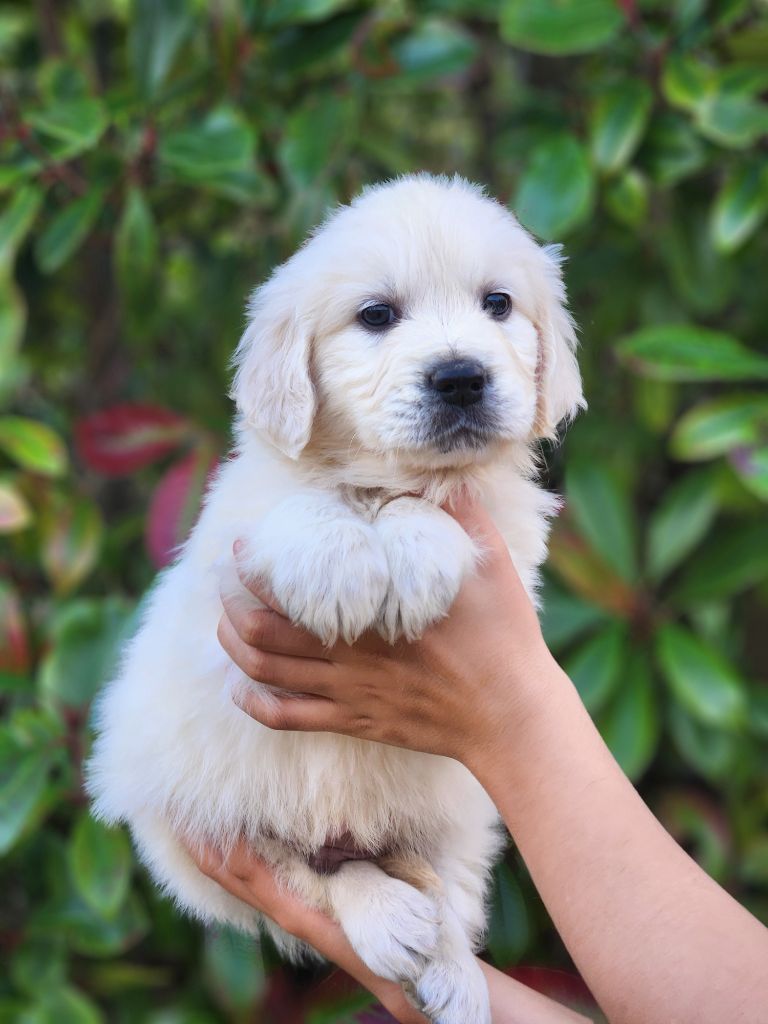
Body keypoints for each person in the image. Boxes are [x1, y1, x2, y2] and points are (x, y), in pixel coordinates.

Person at [190, 498, 768, 1024]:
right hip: (262, 806)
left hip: (379, 833)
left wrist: (511, 714)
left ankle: (358, 885)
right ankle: (351, 884)